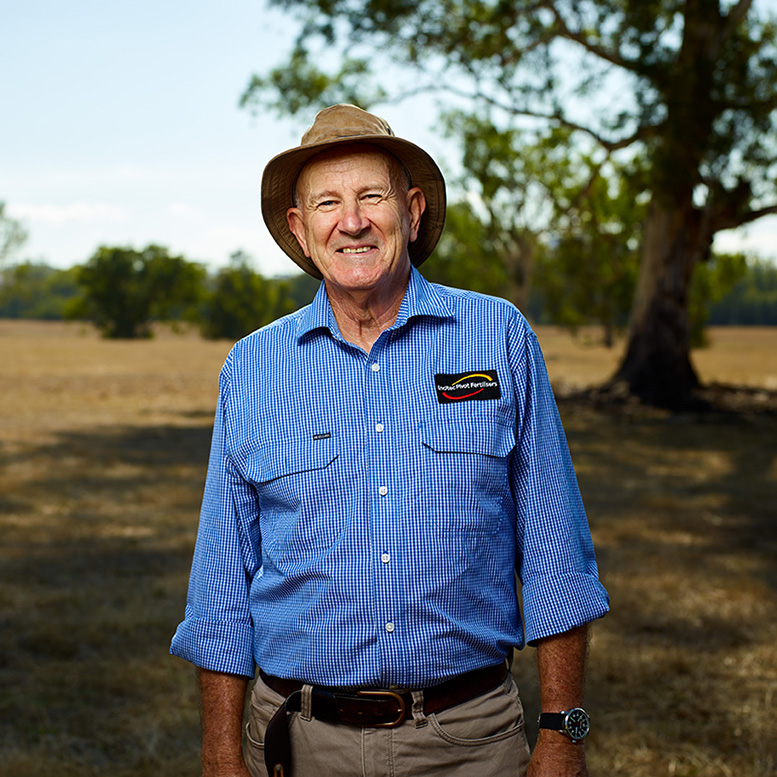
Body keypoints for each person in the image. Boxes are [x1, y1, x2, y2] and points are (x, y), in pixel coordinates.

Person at [171, 104, 609, 777]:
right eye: (327, 202)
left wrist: (565, 733)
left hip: (472, 742)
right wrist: (218, 752)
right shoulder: (251, 367)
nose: (351, 221)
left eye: (370, 195)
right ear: (299, 226)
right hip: (295, 744)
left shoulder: (499, 337)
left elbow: (558, 558)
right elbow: (221, 585)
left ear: (409, 208)